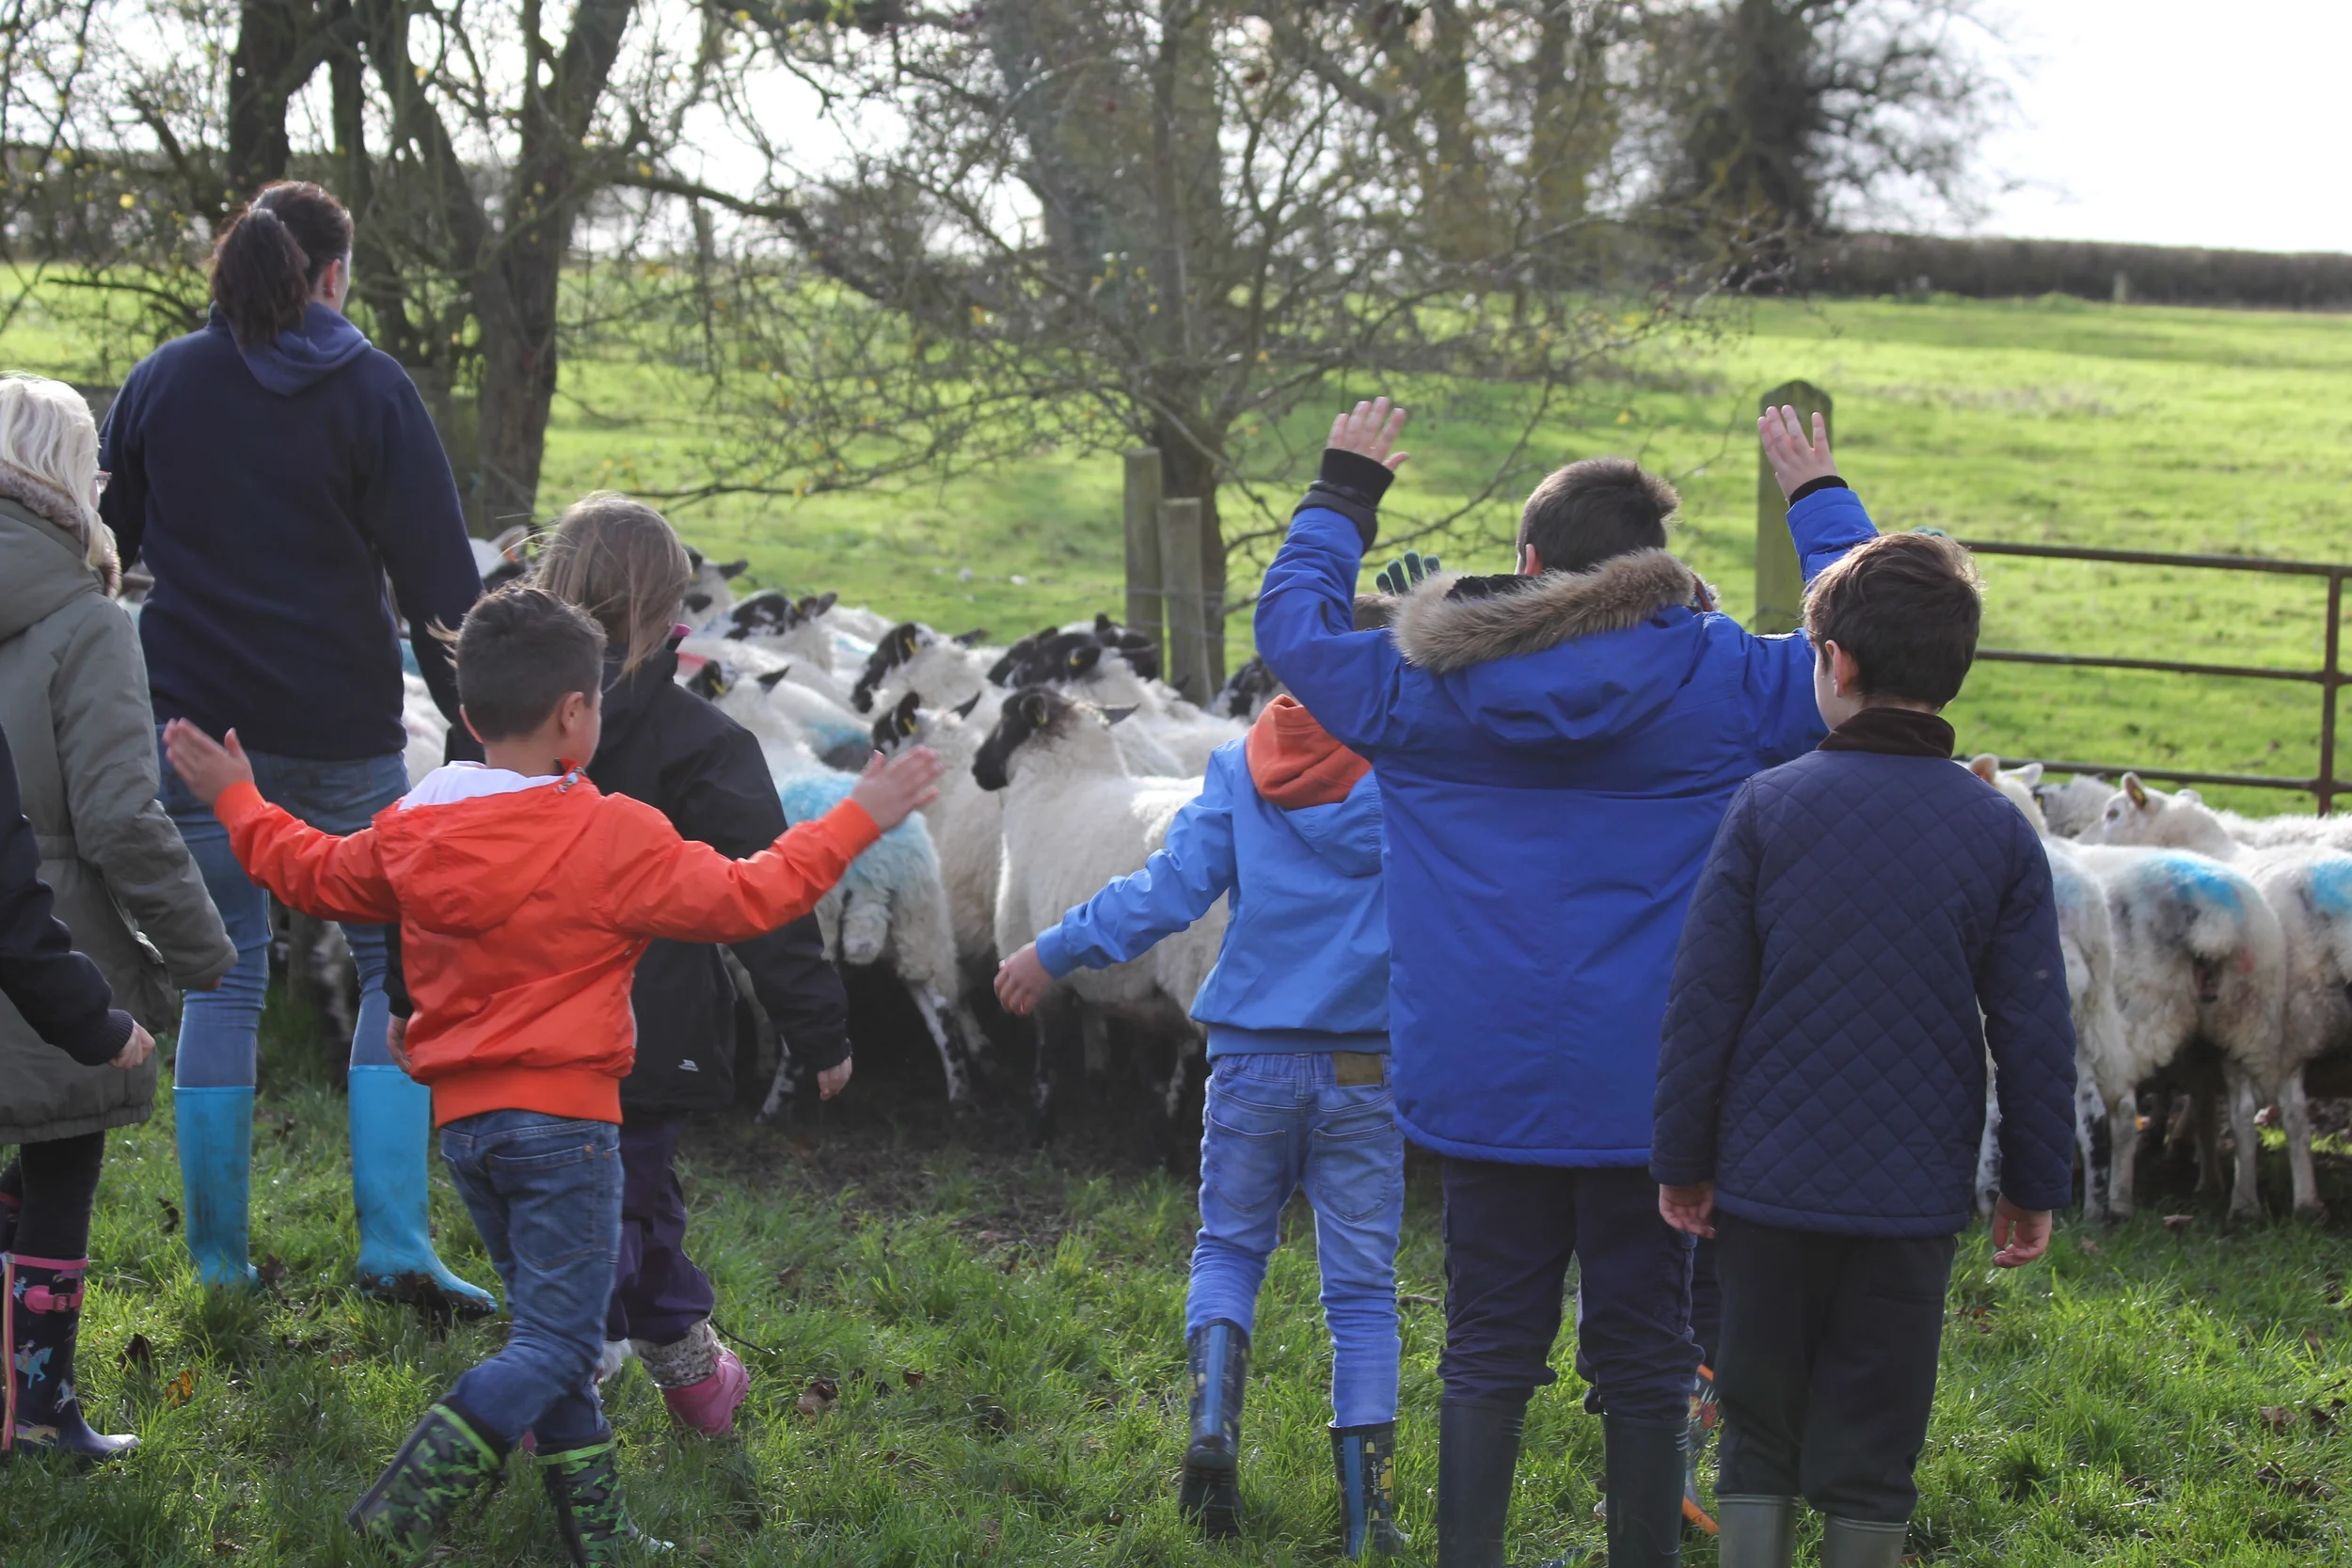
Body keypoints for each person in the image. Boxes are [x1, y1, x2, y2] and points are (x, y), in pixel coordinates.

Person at [162, 585, 941, 1563]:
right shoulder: (613, 834)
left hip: (468, 1130)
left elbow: (307, 869)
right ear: (576, 714)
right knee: (562, 1342)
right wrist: (860, 814)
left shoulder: (414, 823)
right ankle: (407, 1501)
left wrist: (237, 794)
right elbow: (753, 895)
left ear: (470, 711)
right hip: (568, 1128)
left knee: (552, 1327)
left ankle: (598, 1534)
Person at [1252, 400, 1878, 1568]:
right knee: (1644, 1349)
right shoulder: (1727, 682)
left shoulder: (1415, 689)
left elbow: (1291, 625)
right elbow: (1868, 649)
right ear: (1658, 570)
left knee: (1488, 1342)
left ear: (1528, 566)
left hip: (1477, 1078)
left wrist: (1343, 491)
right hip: (1655, 1088)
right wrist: (1818, 500)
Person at [1651, 531, 2076, 1568]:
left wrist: (1683, 1160)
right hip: (1909, 1194)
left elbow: (1703, 999)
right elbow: (2031, 1025)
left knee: (1757, 1418)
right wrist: (2032, 1181)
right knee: (1877, 1429)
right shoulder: (1997, 832)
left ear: (1834, 665)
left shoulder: (1765, 808)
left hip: (1765, 1182)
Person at [99, 181, 489, 1308]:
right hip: (343, 729)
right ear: (332, 274)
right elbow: (440, 584)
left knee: (219, 975)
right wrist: (477, 719)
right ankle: (398, 1247)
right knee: (390, 965)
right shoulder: (371, 387)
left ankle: (219, 1265)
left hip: (196, 729)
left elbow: (107, 548)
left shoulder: (161, 384)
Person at [996, 658, 1403, 1559]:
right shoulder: (1409, 769)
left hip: (1251, 1053)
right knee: (1363, 1287)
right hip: (1364, 1064)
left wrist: (1053, 947)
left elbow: (1164, 891)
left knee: (1228, 1247)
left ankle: (1212, 1435)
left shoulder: (1241, 763)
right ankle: (1368, 1513)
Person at [535, 493, 854, 1436]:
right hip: (647, 1030)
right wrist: (819, 1025)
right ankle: (569, 1380)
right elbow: (767, 893)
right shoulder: (702, 741)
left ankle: (663, 1374)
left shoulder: (504, 730)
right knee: (623, 1208)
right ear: (673, 610)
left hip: (518, 1025)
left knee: (604, 1210)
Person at [0, 373, 231, 1459]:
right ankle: (39, 1405)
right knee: (57, 1167)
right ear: (64, 476)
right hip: (52, 936)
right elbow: (117, 816)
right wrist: (203, 949)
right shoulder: (88, 623)